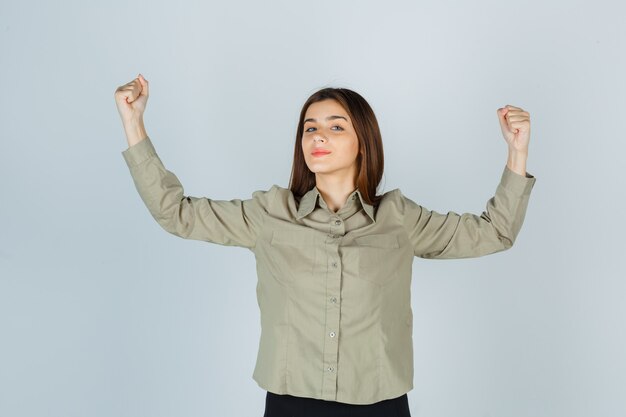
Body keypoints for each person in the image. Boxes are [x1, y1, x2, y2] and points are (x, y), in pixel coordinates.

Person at [114, 74, 536, 417]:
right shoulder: (268, 213)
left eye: (336, 126)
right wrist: (134, 124)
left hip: (380, 405)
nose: (319, 136)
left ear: (363, 142)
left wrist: (517, 151)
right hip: (289, 405)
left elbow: (494, 231)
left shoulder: (399, 218)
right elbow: (177, 213)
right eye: (310, 127)